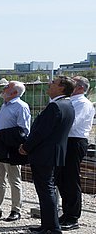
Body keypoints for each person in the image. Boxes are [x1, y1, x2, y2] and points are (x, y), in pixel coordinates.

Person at [20, 76, 76, 234]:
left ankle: (51, 227)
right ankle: (48, 225)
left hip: (44, 155)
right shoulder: (68, 105)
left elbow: (40, 132)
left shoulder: (56, 107)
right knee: (47, 190)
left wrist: (26, 147)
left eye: (54, 83)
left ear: (61, 88)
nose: (50, 84)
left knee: (46, 191)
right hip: (53, 154)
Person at [0, 81, 31, 222]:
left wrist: (0, 133)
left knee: (14, 180)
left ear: (15, 92)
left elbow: (24, 130)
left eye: (8, 86)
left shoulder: (21, 107)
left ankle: (16, 210)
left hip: (11, 148)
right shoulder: (5, 105)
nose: (4, 88)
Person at [55, 76, 95, 231]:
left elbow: (71, 123)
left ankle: (73, 217)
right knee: (62, 179)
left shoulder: (83, 103)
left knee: (71, 179)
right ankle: (66, 213)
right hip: (66, 140)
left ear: (80, 88)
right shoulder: (70, 101)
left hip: (74, 141)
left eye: (73, 82)